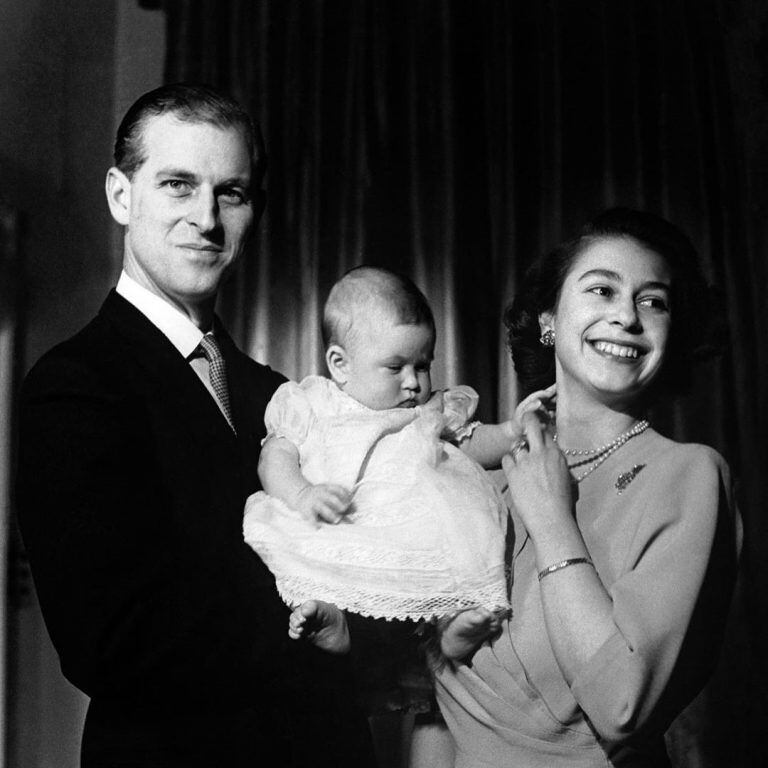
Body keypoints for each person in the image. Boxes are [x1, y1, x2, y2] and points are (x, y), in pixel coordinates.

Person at [15, 83, 374, 767]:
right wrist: (332, 622)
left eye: (230, 193)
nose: (206, 219)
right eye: (178, 186)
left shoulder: (277, 394)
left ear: (255, 210)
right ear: (122, 196)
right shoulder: (75, 385)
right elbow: (110, 640)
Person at [432, 208, 742, 766]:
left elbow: (622, 706)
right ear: (549, 317)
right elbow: (432, 700)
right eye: (602, 290)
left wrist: (553, 522)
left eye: (653, 301)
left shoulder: (691, 477)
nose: (626, 315)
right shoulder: (481, 480)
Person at [244, 265, 537, 627]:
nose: (414, 383)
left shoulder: (427, 412)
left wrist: (510, 431)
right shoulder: (313, 403)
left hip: (412, 531)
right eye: (395, 367)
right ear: (340, 364)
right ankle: (334, 619)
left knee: (454, 560)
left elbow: (470, 444)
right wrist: (303, 494)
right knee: (312, 563)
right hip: (340, 522)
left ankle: (449, 629)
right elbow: (275, 458)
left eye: (423, 365)